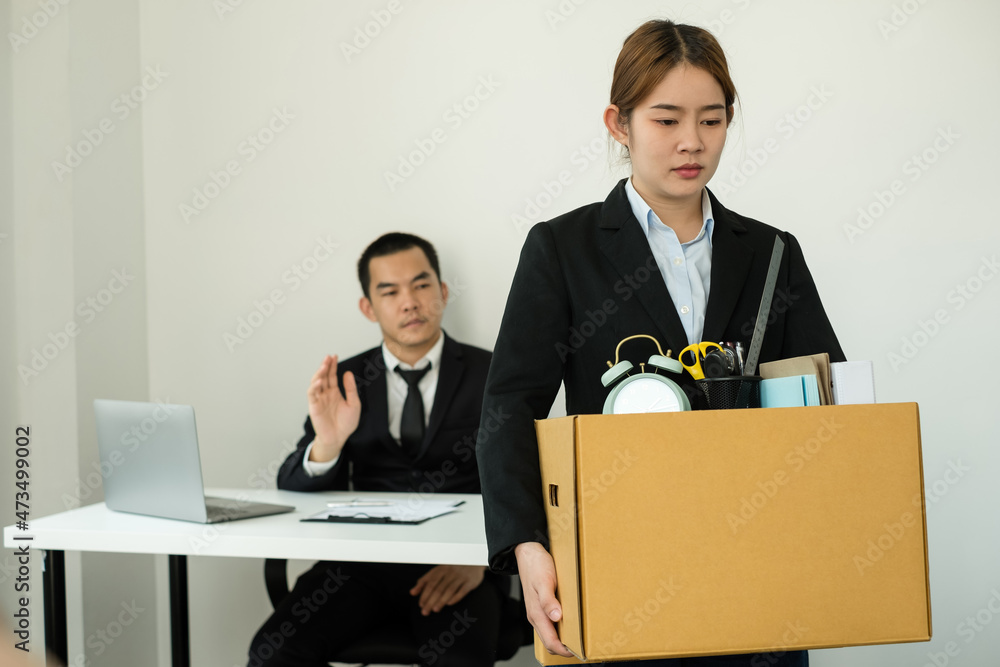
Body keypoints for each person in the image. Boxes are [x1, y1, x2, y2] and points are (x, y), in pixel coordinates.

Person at [476, 19, 846, 667]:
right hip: (621, 559)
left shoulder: (771, 252)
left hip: (759, 563)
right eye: (667, 119)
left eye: (712, 120)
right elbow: (509, 405)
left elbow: (825, 400)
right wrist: (527, 545)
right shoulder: (563, 249)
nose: (691, 141)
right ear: (619, 124)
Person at [248, 232, 506, 667]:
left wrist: (480, 560)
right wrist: (329, 442)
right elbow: (290, 486)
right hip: (358, 568)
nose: (410, 303)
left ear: (443, 292)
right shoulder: (345, 380)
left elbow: (526, 478)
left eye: (421, 285)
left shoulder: (493, 373)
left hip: (457, 566)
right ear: (368, 307)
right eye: (390, 292)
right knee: (272, 652)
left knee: (459, 658)